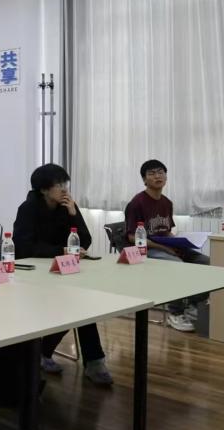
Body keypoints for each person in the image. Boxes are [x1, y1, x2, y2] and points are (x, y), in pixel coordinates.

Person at [12, 163, 113, 386]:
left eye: (64, 184)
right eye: (58, 185)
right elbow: (24, 247)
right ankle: (56, 355)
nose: (64, 189)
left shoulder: (66, 206)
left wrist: (74, 215)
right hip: (33, 276)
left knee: (80, 307)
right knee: (73, 307)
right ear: (43, 189)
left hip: (61, 272)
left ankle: (91, 361)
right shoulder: (28, 209)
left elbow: (85, 241)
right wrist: (62, 251)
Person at [125, 159, 210, 332]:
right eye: (152, 173)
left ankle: (192, 304)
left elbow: (167, 232)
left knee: (207, 263)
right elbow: (133, 237)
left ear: (166, 177)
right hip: (146, 250)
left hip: (166, 246)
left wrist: (181, 242)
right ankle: (175, 313)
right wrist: (167, 249)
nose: (157, 176)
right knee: (176, 265)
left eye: (160, 172)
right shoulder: (136, 203)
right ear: (144, 180)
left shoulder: (166, 202)